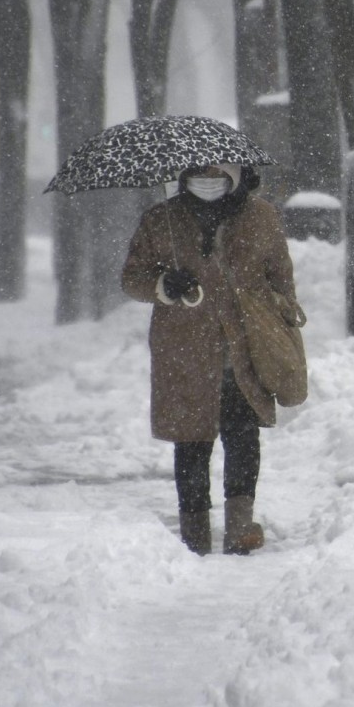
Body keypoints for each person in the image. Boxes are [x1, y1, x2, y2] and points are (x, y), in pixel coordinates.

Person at [121, 162, 298, 556]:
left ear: (237, 171)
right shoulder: (161, 219)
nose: (208, 178)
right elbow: (132, 278)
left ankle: (239, 527)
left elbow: (281, 278)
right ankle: (194, 534)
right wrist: (164, 285)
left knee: (242, 435)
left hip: (243, 345)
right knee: (190, 441)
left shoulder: (261, 217)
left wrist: (274, 314)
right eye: (198, 172)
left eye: (217, 171)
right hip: (183, 348)